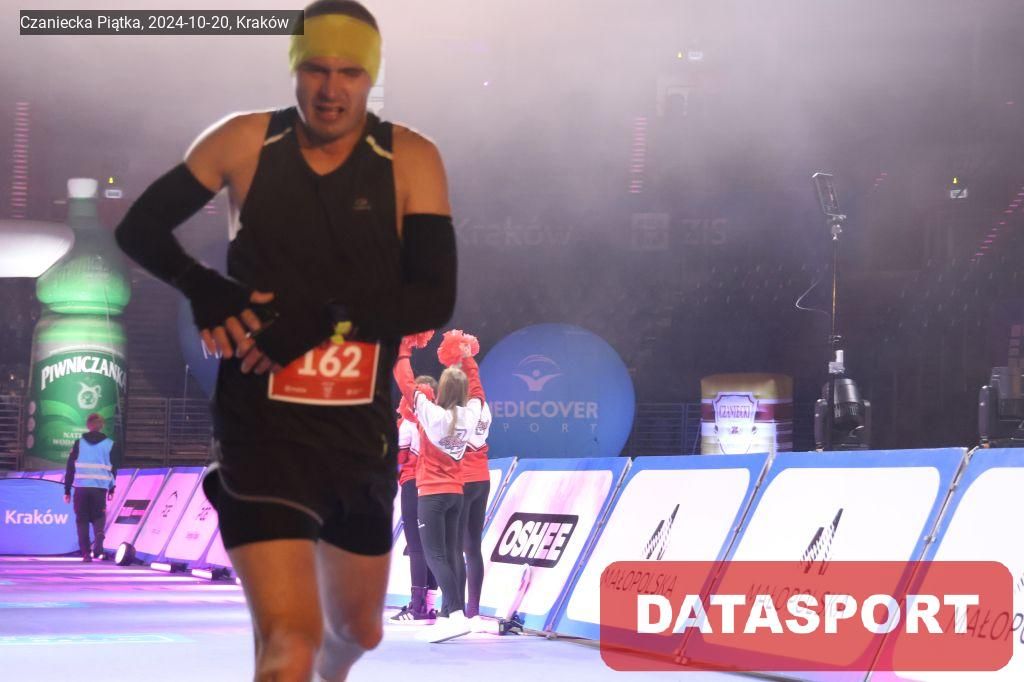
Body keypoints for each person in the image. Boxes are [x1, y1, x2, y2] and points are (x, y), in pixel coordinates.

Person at [113, 0, 456, 678]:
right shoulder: (243, 141)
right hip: (260, 432)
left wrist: (327, 320)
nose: (331, 89)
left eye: (349, 72)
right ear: (294, 71)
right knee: (289, 642)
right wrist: (201, 285)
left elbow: (433, 297)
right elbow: (139, 228)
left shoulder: (410, 158)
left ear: (371, 78)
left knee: (357, 630)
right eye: (316, 70)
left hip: (358, 437)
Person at [393, 335, 483, 643]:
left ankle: (455, 614)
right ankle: (447, 615)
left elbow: (405, 383)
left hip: (431, 495)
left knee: (434, 555)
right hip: (456, 493)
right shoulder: (470, 414)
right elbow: (478, 391)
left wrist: (402, 350)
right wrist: (467, 358)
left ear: (441, 390)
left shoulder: (432, 415)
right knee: (451, 553)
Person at [391, 374, 440, 622]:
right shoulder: (441, 419)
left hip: (413, 483)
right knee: (430, 545)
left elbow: (398, 459)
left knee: (416, 546)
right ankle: (428, 605)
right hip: (435, 486)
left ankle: (417, 607)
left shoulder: (409, 422)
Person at [63, 413, 120, 562]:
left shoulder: (79, 443)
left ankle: (86, 554)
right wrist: (112, 488)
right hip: (100, 489)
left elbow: (70, 468)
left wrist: (67, 490)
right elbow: (113, 469)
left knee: (82, 520)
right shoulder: (110, 444)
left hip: (81, 488)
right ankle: (99, 536)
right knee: (99, 516)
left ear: (88, 425)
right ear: (102, 426)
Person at [455, 386, 491, 620]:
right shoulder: (485, 409)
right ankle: (473, 610)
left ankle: (455, 609)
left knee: (456, 547)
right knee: (473, 547)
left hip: (463, 480)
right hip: (482, 478)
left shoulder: (461, 412)